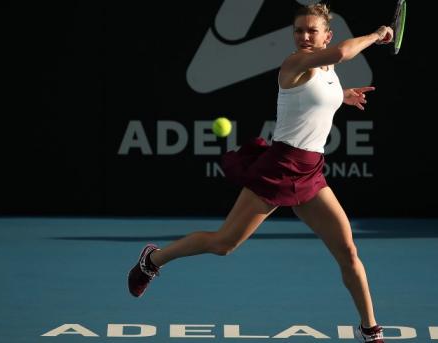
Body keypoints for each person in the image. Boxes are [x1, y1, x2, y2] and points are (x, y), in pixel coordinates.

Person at [127, 3, 392, 343]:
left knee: (349, 252)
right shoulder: (295, 63)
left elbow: (316, 93)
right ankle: (153, 259)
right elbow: (342, 53)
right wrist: (376, 34)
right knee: (224, 243)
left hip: (310, 171)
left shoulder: (326, 67)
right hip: (279, 168)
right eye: (299, 30)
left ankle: (370, 329)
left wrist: (341, 96)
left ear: (327, 34)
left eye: (312, 31)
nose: (305, 36)